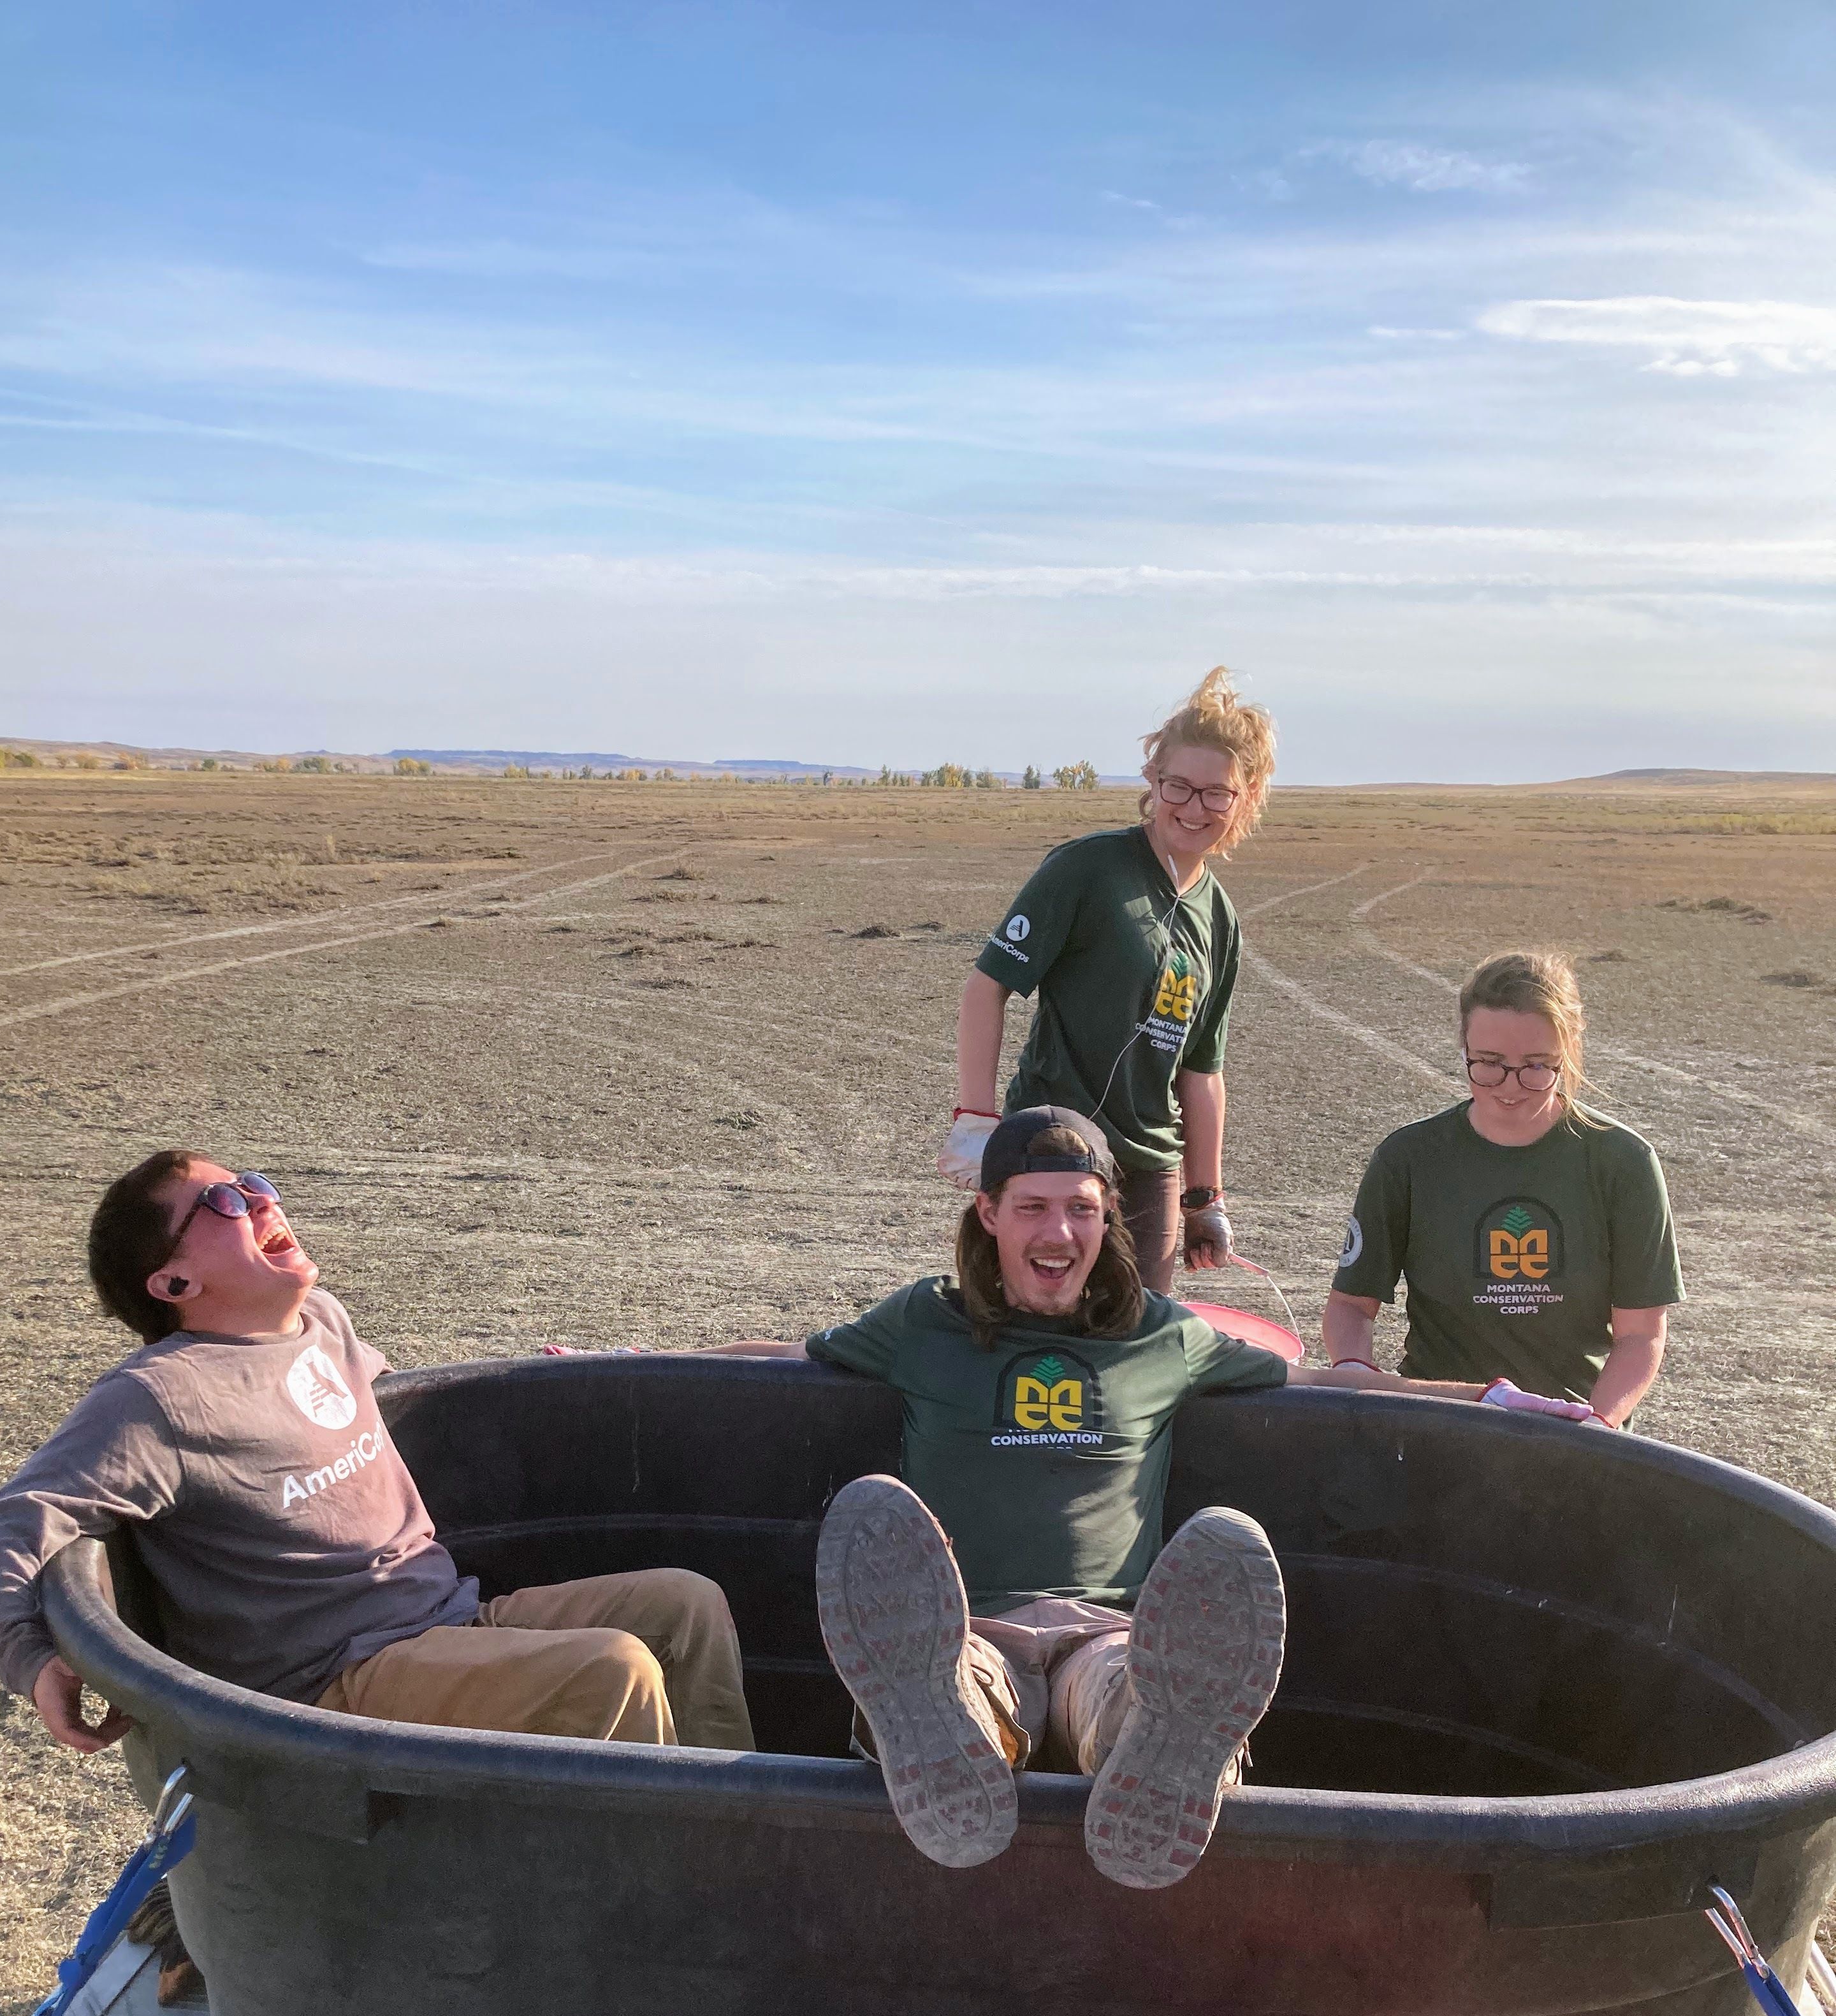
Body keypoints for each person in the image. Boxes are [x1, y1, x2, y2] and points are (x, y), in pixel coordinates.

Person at [711, 1108, 1554, 1890]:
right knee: (958, 1686)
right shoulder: (925, 1321)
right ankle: (942, 1737)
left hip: (1103, 1631)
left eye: (1080, 1209)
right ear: (989, 1215)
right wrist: (613, 1356)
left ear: (1108, 1214)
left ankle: (1164, 1751)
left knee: (1132, 1690)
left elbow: (1332, 1382)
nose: (1058, 1233)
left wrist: (1493, 1397)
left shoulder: (1162, 1333)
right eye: (1033, 1208)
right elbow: (785, 1357)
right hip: (967, 1628)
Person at [0, 1151, 754, 1779]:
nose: (262, 1201)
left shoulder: (319, 1320)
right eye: (226, 1206)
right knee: (611, 1670)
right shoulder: (162, 1398)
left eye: (253, 1185)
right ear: (175, 1282)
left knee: (685, 1606)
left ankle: (740, 1835)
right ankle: (667, 1897)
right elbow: (14, 1520)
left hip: (445, 1616)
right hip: (335, 1682)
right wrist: (32, 1662)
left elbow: (358, 1411)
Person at [939, 667, 1275, 1294]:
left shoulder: (1220, 919)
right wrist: (977, 1121)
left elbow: (1201, 1073)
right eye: (1179, 786)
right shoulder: (1088, 870)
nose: (1193, 808)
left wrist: (1205, 1200)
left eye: (1216, 793)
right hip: (1052, 1145)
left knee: (1135, 1341)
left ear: (1246, 797)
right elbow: (988, 988)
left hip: (1151, 1168)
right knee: (1023, 1320)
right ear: (1152, 778)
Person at [1324, 953, 1683, 1426]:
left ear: (1571, 1049)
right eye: (1489, 1064)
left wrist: (1596, 1428)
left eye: (1537, 1065)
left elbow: (1640, 1335)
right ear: (1463, 1046)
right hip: (1441, 1422)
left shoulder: (1624, 1163)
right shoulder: (1409, 1158)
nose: (1511, 1087)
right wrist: (1355, 1377)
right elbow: (1351, 1305)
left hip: (1575, 1430)